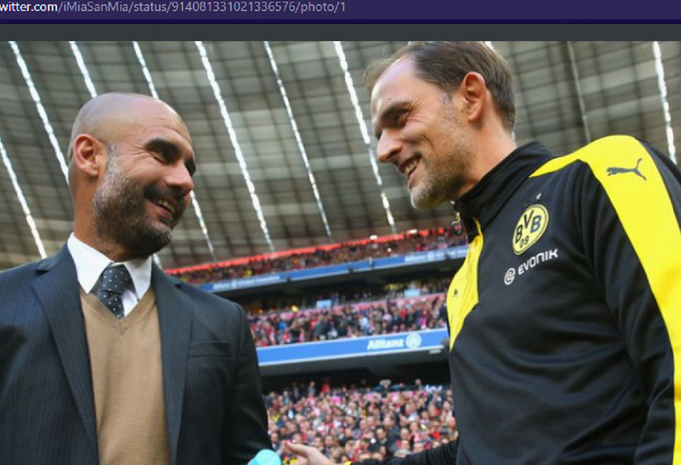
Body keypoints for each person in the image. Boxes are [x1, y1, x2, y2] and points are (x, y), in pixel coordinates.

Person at [285, 41, 681, 464]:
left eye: (399, 118)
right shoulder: (461, 286)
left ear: (471, 97)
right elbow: (478, 451)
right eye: (380, 134)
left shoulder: (599, 175)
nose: (384, 149)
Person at [0, 93, 271, 465]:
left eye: (189, 168)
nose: (185, 181)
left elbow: (248, 454)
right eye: (162, 155)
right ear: (90, 155)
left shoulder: (223, 322)